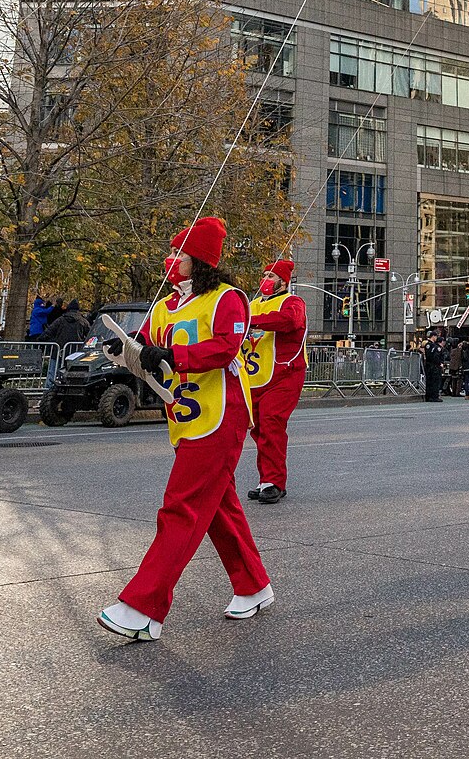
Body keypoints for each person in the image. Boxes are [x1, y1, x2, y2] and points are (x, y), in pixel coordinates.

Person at [97, 217, 272, 641]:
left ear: (200, 260)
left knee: (181, 506)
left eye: (179, 253)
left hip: (221, 415)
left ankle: (143, 607)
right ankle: (253, 585)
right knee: (218, 508)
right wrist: (125, 352)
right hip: (185, 418)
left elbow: (224, 348)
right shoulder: (163, 307)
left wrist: (173, 355)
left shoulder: (228, 299)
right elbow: (148, 355)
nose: (170, 259)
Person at [243, 258, 309, 501]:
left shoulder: (293, 302)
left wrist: (253, 321)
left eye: (271, 276)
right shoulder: (253, 304)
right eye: (264, 274)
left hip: (285, 374)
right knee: (259, 428)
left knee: (271, 422)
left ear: (284, 281)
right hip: (256, 376)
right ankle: (266, 480)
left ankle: (274, 481)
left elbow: (290, 321)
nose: (265, 280)